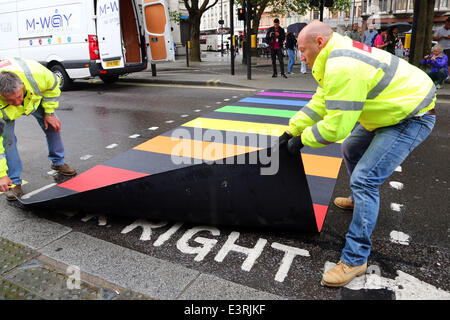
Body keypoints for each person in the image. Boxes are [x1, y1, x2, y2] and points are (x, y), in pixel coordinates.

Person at [278, 21, 436, 287]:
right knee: (351, 148)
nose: (301, 57)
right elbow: (320, 103)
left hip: (411, 116)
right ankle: (357, 199)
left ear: (319, 42)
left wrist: (301, 141)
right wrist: (291, 130)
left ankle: (355, 260)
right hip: (389, 110)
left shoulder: (342, 66)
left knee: (365, 179)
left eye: (303, 50)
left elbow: (336, 126)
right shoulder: (332, 57)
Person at [0, 58, 76, 201]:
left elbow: (53, 86)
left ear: (22, 85)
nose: (17, 103)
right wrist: (1, 174)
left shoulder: (37, 74)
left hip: (34, 99)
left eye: (18, 96)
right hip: (4, 113)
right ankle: (14, 181)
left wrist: (49, 113)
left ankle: (58, 163)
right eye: (11, 100)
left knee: (53, 126)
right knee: (7, 141)